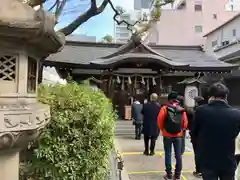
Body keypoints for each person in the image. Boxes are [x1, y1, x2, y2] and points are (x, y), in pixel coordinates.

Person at [194, 83, 240, 180]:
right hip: (228, 159)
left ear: (210, 97)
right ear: (226, 97)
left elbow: (194, 133)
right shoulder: (236, 114)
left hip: (207, 159)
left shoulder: (200, 111)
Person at [158, 91, 188, 180]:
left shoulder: (164, 108)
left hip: (167, 135)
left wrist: (163, 130)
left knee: (168, 153)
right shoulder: (181, 109)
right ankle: (178, 175)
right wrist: (181, 130)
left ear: (169, 99)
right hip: (178, 135)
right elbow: (185, 123)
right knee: (178, 155)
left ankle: (169, 174)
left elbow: (159, 121)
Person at [187, 96, 205, 178]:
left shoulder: (196, 111)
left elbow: (194, 124)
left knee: (197, 154)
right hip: (205, 136)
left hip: (197, 136)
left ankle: (199, 171)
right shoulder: (206, 110)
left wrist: (191, 133)